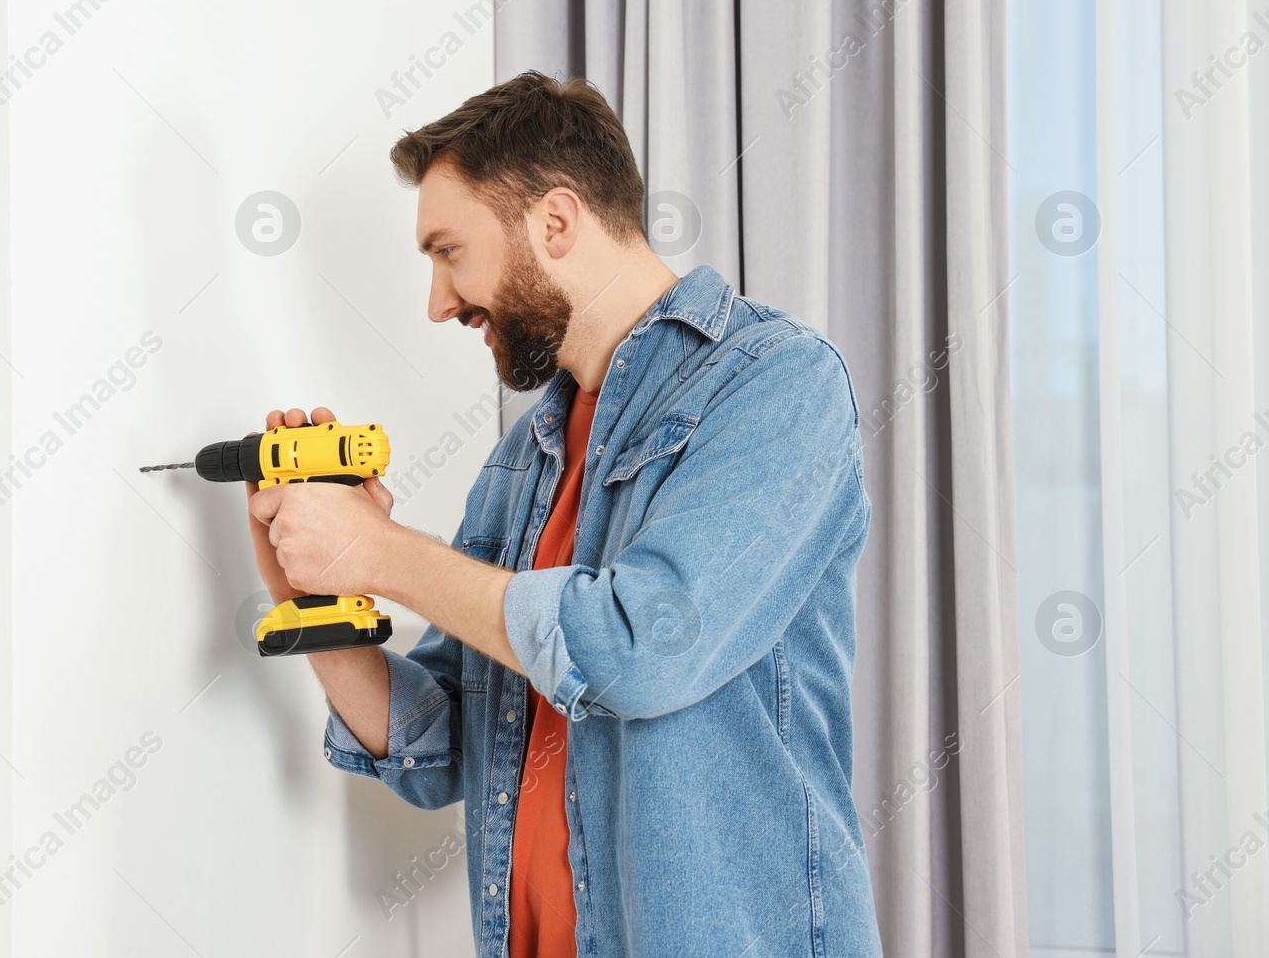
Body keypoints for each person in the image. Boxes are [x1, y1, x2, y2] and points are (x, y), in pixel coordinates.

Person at [246, 71, 882, 957]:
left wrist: (380, 549)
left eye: (448, 251)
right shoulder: (525, 459)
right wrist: (317, 594)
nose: (438, 302)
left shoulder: (777, 384)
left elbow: (638, 646)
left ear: (555, 221)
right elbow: (440, 746)